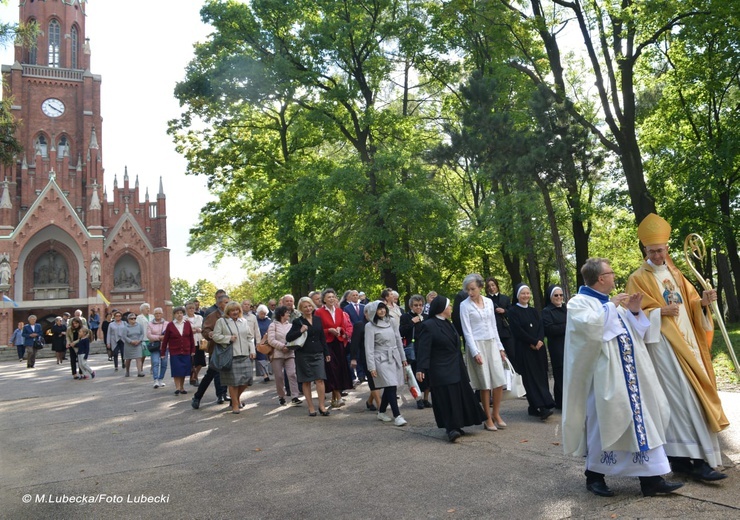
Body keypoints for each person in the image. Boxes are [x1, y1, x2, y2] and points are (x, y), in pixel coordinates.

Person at [563, 257, 684, 497]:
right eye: (611, 273)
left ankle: (651, 480)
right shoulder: (580, 303)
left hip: (631, 377)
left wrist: (635, 311)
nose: (614, 276)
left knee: (641, 423)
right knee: (604, 424)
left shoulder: (611, 303)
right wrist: (611, 307)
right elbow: (589, 332)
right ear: (600, 278)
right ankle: (594, 476)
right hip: (604, 378)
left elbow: (636, 333)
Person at [626, 213, 729, 481]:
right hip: (664, 348)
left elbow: (691, 303)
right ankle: (693, 459)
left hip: (689, 344)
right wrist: (660, 311)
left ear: (667, 248)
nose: (658, 255)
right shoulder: (638, 277)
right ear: (645, 250)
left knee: (691, 397)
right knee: (681, 399)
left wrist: (704, 302)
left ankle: (690, 457)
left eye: (661, 250)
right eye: (652, 251)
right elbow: (632, 314)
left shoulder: (676, 273)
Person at [416, 296, 485, 442]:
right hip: (440, 369)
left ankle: (458, 425)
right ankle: (451, 428)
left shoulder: (448, 323)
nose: (451, 308)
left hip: (456, 367)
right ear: (442, 308)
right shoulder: (428, 325)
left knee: (458, 398)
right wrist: (421, 368)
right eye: (449, 306)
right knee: (446, 399)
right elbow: (424, 349)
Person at [459, 273, 508, 432]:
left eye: (473, 289)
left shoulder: (488, 302)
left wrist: (500, 347)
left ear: (480, 287)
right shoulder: (464, 305)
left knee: (499, 380)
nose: (470, 293)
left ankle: (496, 414)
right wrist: (474, 352)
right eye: (468, 290)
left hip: (492, 343)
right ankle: (487, 418)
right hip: (477, 345)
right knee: (485, 384)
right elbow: (467, 332)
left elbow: (494, 326)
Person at [508, 283, 556, 420]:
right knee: (530, 378)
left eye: (528, 293)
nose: (526, 296)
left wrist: (539, 340)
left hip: (538, 349)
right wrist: (533, 342)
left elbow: (541, 327)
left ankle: (539, 405)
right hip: (524, 349)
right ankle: (540, 407)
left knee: (541, 376)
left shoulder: (534, 311)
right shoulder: (513, 311)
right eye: (523, 293)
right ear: (517, 296)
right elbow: (517, 331)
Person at [364, 301, 408, 427]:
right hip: (380, 358)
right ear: (374, 311)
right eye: (379, 309)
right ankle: (397, 415)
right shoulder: (370, 326)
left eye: (383, 308)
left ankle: (382, 411)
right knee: (390, 386)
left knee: (391, 385)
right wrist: (371, 366)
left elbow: (398, 339)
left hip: (393, 356)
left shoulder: (392, 321)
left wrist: (403, 358)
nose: (382, 311)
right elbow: (369, 348)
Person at [286, 297, 331, 417]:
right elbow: (288, 338)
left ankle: (322, 406)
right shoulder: (297, 322)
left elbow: (322, 337)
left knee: (320, 379)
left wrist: (326, 353)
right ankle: (311, 407)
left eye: (310, 306)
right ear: (301, 308)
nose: (308, 308)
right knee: (306, 381)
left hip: (318, 353)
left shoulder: (317, 320)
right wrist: (300, 331)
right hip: (303, 354)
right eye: (305, 307)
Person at [212, 301, 257, 413]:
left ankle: (235, 398)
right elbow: (215, 336)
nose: (235, 312)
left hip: (245, 355)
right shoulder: (222, 321)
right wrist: (228, 338)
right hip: (231, 356)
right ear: (228, 312)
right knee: (234, 382)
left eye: (237, 310)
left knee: (247, 381)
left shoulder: (244, 321)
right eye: (232, 310)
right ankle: (235, 405)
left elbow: (250, 337)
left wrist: (252, 350)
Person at [314, 288, 353, 408]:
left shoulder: (339, 311)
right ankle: (338, 397)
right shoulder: (319, 312)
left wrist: (340, 329)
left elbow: (342, 325)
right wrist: (328, 330)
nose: (331, 299)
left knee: (340, 368)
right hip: (327, 343)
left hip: (338, 342)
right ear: (324, 300)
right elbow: (317, 329)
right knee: (332, 369)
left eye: (333, 297)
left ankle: (335, 398)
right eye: (328, 297)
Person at [191, 294, 230, 409]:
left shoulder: (231, 316)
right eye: (225, 302)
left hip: (229, 349)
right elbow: (205, 329)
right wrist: (210, 334)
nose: (227, 304)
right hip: (216, 350)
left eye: (228, 302)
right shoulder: (213, 316)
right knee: (211, 374)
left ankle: (224, 394)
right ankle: (197, 397)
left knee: (228, 373)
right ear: (219, 303)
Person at [400, 294, 431, 409]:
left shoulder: (427, 316)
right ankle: (418, 398)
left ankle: (426, 398)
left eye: (420, 305)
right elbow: (401, 332)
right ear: (411, 306)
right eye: (416, 305)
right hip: (413, 349)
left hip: (426, 349)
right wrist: (412, 322)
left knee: (427, 375)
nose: (419, 307)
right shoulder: (405, 317)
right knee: (414, 375)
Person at [267, 305, 301, 405]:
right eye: (287, 312)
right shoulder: (273, 325)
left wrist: (290, 346)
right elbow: (271, 340)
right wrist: (282, 346)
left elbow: (294, 338)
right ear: (281, 314)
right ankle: (281, 396)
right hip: (277, 355)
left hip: (290, 353)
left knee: (292, 374)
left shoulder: (290, 325)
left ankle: (295, 396)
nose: (289, 314)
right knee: (279, 376)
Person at [542, 285, 567, 409]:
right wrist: (567, 326)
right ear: (551, 297)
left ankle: (566, 401)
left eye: (561, 295)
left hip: (568, 345)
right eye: (556, 295)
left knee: (568, 374)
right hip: (557, 347)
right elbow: (549, 329)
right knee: (560, 374)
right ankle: (561, 402)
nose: (559, 297)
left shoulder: (566, 309)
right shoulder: (547, 311)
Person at [162, 306, 195, 395]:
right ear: (174, 315)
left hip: (186, 351)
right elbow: (165, 340)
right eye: (177, 313)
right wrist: (163, 352)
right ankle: (177, 387)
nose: (179, 315)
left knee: (184, 370)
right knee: (177, 369)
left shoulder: (187, 324)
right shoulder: (170, 325)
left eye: (180, 313)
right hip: (174, 351)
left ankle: (182, 387)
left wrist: (193, 350)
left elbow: (191, 338)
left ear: (183, 314)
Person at [350, 317, 381, 411]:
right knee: (373, 380)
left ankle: (370, 401)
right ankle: (380, 405)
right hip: (366, 357)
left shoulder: (380, 323)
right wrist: (353, 358)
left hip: (380, 355)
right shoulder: (360, 325)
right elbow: (354, 342)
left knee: (380, 380)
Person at [485, 277, 516, 371]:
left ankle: (515, 375)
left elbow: (512, 313)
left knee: (512, 354)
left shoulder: (505, 298)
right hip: (493, 332)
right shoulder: (485, 300)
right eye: (489, 286)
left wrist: (504, 311)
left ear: (497, 286)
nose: (491, 288)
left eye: (493, 285)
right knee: (496, 357)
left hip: (506, 330)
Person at [146, 307, 169, 388]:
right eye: (156, 313)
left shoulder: (167, 323)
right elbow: (149, 335)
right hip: (155, 346)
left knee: (164, 363)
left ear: (162, 314)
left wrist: (164, 338)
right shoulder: (150, 324)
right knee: (155, 362)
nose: (158, 315)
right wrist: (159, 338)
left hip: (165, 346)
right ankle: (155, 380)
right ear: (154, 314)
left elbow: (169, 334)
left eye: (159, 313)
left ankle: (161, 379)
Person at [185, 302, 205, 386]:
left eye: (192, 308)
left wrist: (200, 329)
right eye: (189, 308)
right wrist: (192, 330)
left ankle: (193, 376)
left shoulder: (199, 317)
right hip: (189, 342)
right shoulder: (184, 319)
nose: (191, 310)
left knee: (200, 361)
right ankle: (193, 377)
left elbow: (204, 327)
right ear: (186, 309)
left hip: (200, 341)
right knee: (192, 361)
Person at [123, 313, 146, 377]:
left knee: (138, 358)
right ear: (128, 320)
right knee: (128, 359)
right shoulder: (125, 327)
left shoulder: (139, 326)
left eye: (134, 318)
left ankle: (139, 372)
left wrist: (139, 340)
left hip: (138, 344)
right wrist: (131, 341)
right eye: (131, 318)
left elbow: (142, 334)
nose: (133, 319)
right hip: (129, 345)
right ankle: (127, 371)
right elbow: (124, 336)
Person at [255, 304, 273, 383]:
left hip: (268, 341)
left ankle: (268, 372)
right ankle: (265, 375)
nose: (263, 315)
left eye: (264, 313)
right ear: (258, 313)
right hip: (259, 341)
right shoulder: (255, 320)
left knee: (267, 358)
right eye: (261, 313)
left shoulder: (268, 320)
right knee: (260, 358)